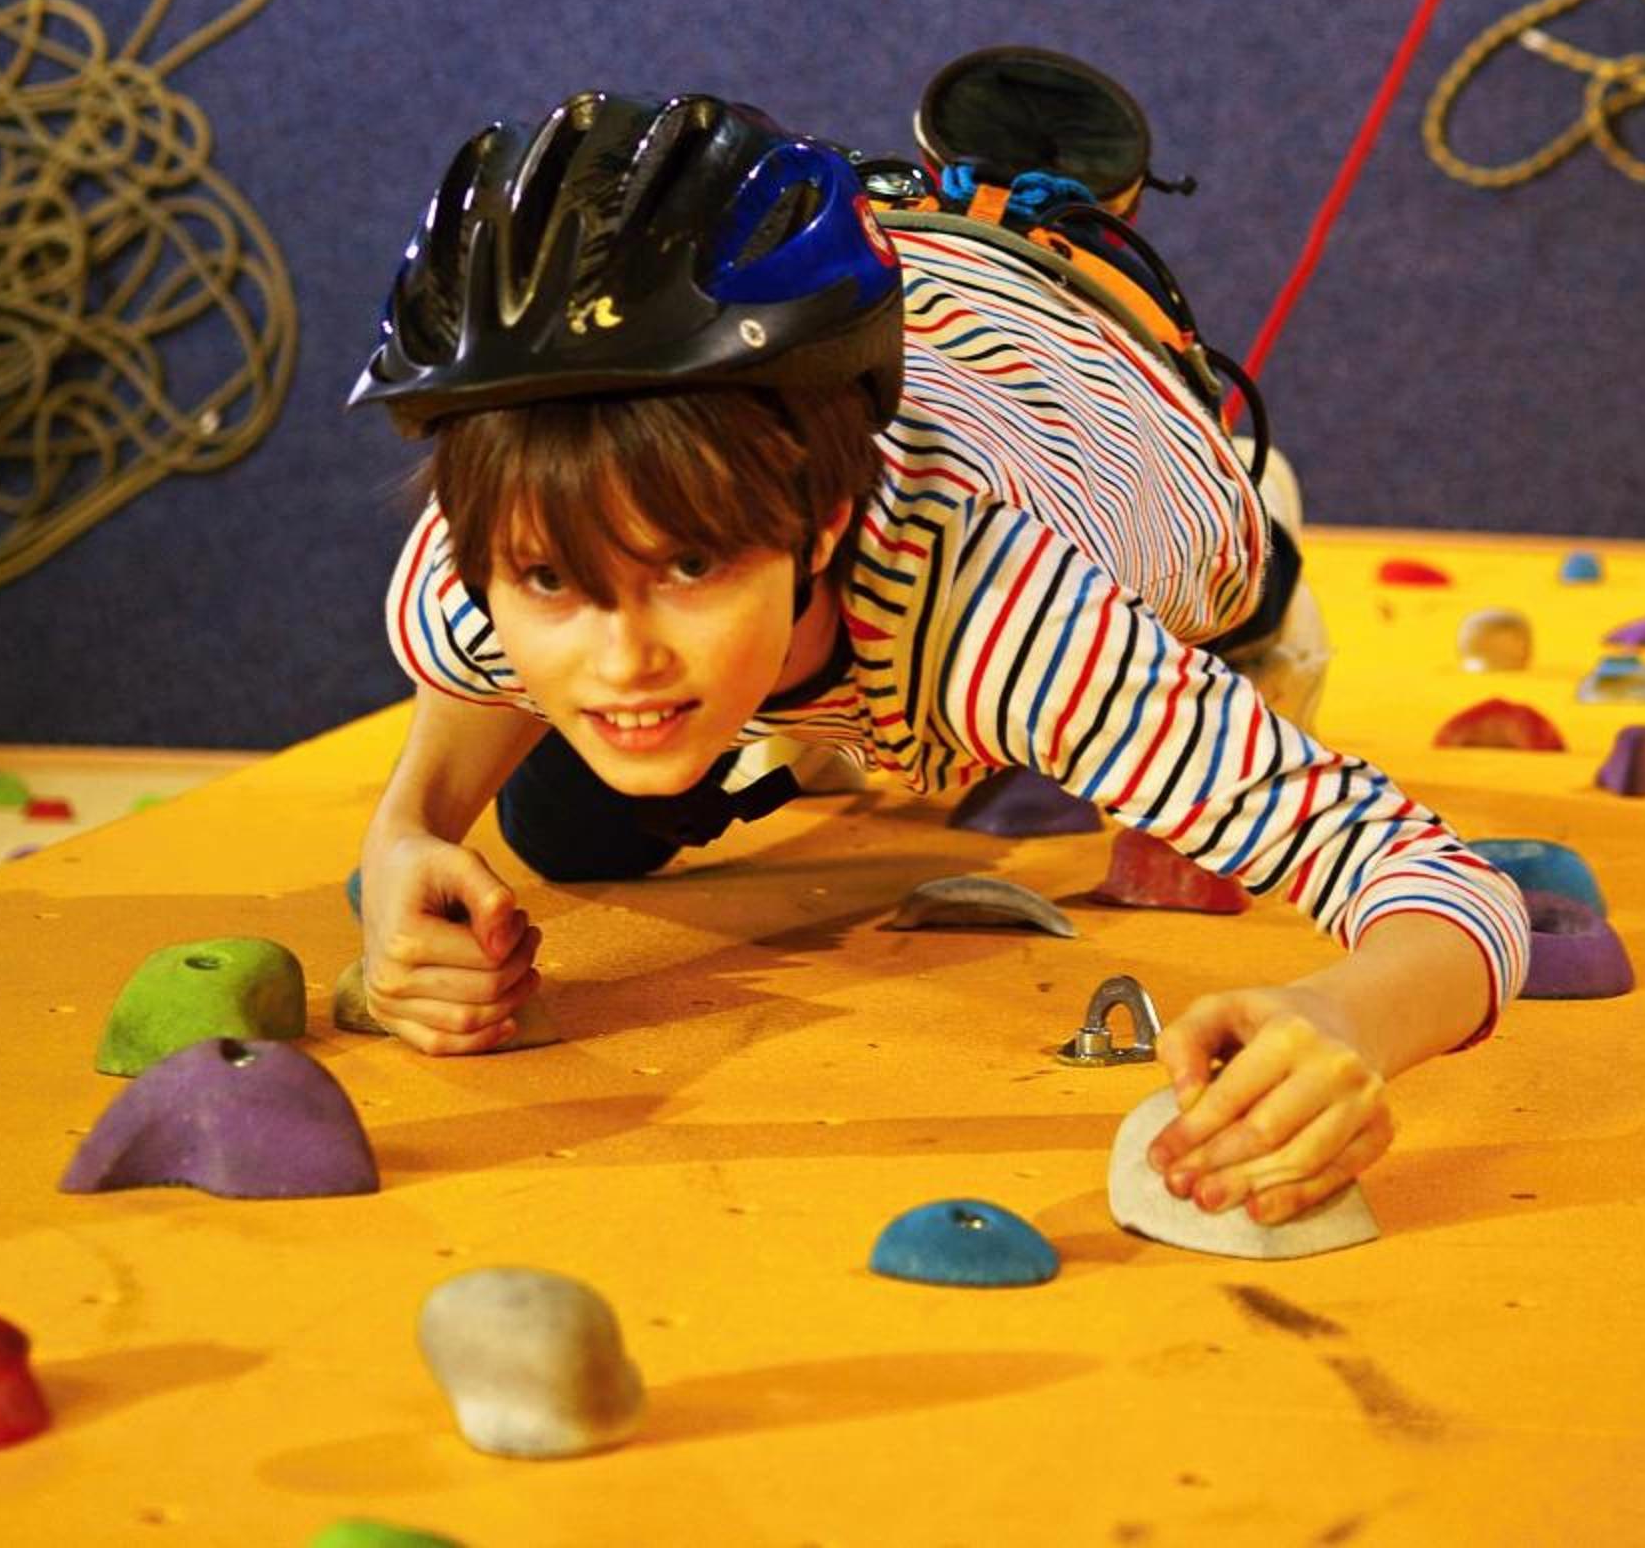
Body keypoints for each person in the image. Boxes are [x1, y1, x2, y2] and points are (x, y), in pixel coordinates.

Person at [348, 87, 1530, 1229]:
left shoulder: (1009, 622)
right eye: (550, 582)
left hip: (1089, 387)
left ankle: (1201, 444)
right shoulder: (472, 563)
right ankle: (803, 691)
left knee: (1227, 593)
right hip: (883, 388)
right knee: (568, 833)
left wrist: (1351, 1016)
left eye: (690, 565)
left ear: (820, 522)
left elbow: (1451, 888)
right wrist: (403, 834)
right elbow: (468, 689)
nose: (620, 662)